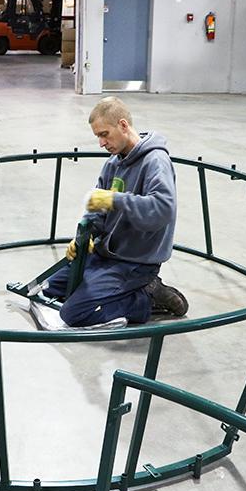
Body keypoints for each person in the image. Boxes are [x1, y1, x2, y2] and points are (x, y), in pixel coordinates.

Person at [42, 97, 188, 327]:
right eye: (97, 136)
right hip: (107, 254)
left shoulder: (155, 161)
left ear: (123, 125)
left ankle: (146, 297)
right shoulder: (113, 163)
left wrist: (114, 200)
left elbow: (162, 210)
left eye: (104, 134)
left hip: (134, 261)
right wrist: (84, 237)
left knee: (74, 314)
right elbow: (97, 208)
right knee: (49, 288)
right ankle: (107, 287)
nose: (101, 143)